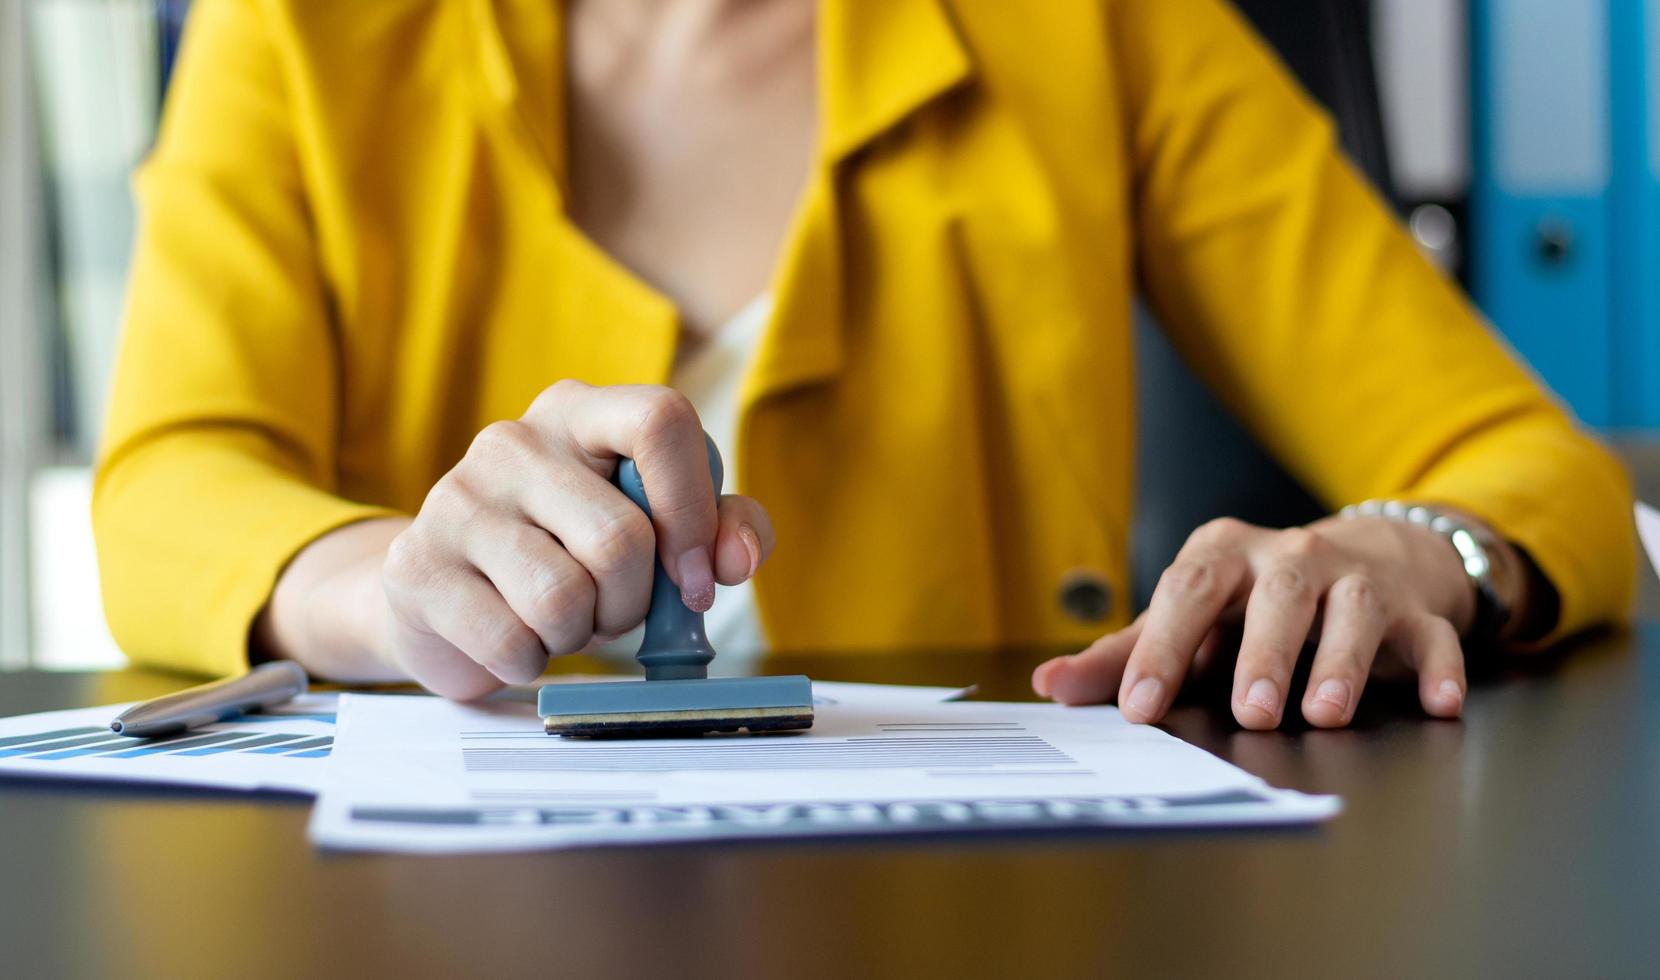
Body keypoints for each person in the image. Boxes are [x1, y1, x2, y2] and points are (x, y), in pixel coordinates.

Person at [95, 0, 1634, 732]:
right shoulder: (299, 37)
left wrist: (1414, 550)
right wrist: (391, 586)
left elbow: (1532, 469)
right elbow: (166, 481)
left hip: (977, 911)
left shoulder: (1099, 28)